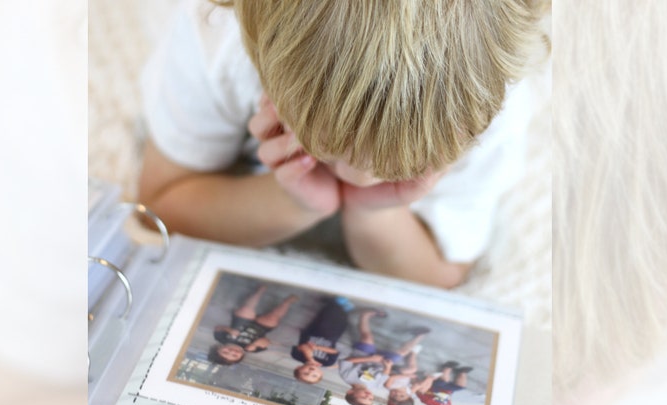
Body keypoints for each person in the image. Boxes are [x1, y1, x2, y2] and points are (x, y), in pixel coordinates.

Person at [138, 0, 547, 288]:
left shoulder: (486, 98)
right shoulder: (215, 36)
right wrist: (292, 203)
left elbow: (443, 270)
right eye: (327, 150)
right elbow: (156, 206)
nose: (360, 179)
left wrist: (375, 215)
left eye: (400, 164)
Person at [338, 309, 430, 405]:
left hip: (363, 355)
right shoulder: (376, 386)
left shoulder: (347, 377)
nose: (368, 396)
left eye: (364, 397)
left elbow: (346, 361)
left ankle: (365, 316)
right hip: (382, 362)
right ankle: (419, 336)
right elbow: (385, 374)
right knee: (402, 352)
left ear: (350, 392)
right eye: (370, 399)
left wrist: (370, 359)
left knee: (367, 337)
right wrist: (388, 366)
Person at [209, 285, 298, 365]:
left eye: (225, 352)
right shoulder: (252, 349)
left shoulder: (221, 338)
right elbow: (266, 341)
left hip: (241, 320)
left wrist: (229, 330)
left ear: (218, 348)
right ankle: (287, 302)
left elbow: (218, 328)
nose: (232, 352)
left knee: (246, 309)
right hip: (261, 327)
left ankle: (259, 291)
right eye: (234, 355)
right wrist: (255, 344)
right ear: (242, 356)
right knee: (273, 319)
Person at [291, 296, 354, 384]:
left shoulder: (297, 356)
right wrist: (317, 348)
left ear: (298, 368)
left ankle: (333, 305)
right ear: (321, 373)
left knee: (322, 318)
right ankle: (343, 308)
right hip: (331, 337)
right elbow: (334, 352)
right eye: (314, 375)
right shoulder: (327, 363)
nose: (311, 372)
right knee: (340, 323)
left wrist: (311, 359)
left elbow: (304, 346)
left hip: (312, 332)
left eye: (305, 373)